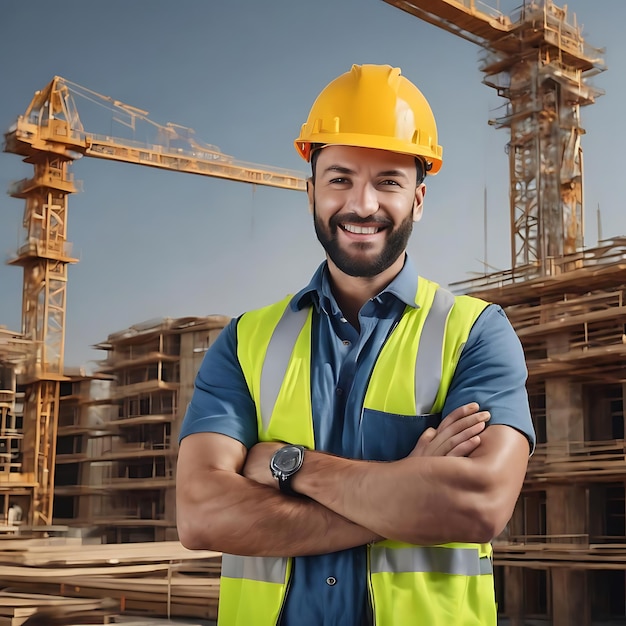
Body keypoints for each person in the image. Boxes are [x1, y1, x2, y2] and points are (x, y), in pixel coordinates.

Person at [176, 64, 535, 626]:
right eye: (340, 178)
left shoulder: (476, 333)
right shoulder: (245, 340)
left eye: (387, 181)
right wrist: (404, 494)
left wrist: (287, 466)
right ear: (311, 189)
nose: (361, 204)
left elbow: (478, 504)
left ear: (418, 199)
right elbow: (200, 515)